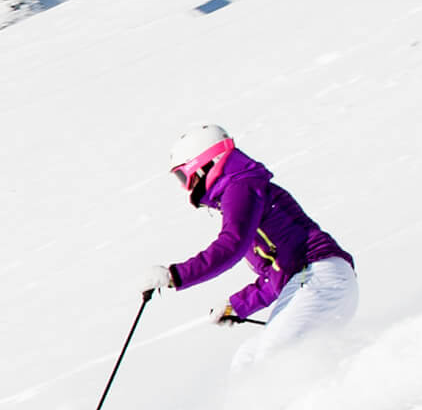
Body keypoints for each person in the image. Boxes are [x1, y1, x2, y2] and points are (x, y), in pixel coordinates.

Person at [147, 125, 357, 366]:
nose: (186, 186)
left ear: (203, 164)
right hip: (319, 282)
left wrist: (174, 276)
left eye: (184, 176)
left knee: (272, 357)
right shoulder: (243, 189)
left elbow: (231, 245)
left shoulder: (241, 187)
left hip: (318, 278)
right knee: (248, 359)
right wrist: (237, 305)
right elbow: (277, 271)